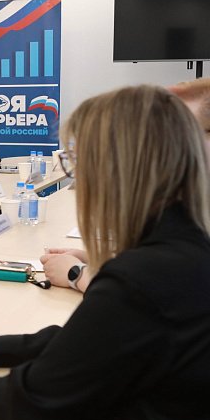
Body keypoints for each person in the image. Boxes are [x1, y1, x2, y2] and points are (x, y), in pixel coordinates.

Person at [0, 85, 210, 420]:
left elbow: (24, 409)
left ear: (116, 168)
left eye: (78, 160)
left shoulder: (140, 280)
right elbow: (90, 343)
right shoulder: (183, 248)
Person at [42, 77, 210, 290]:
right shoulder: (184, 235)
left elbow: (149, 283)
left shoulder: (144, 274)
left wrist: (77, 274)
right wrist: (104, 260)